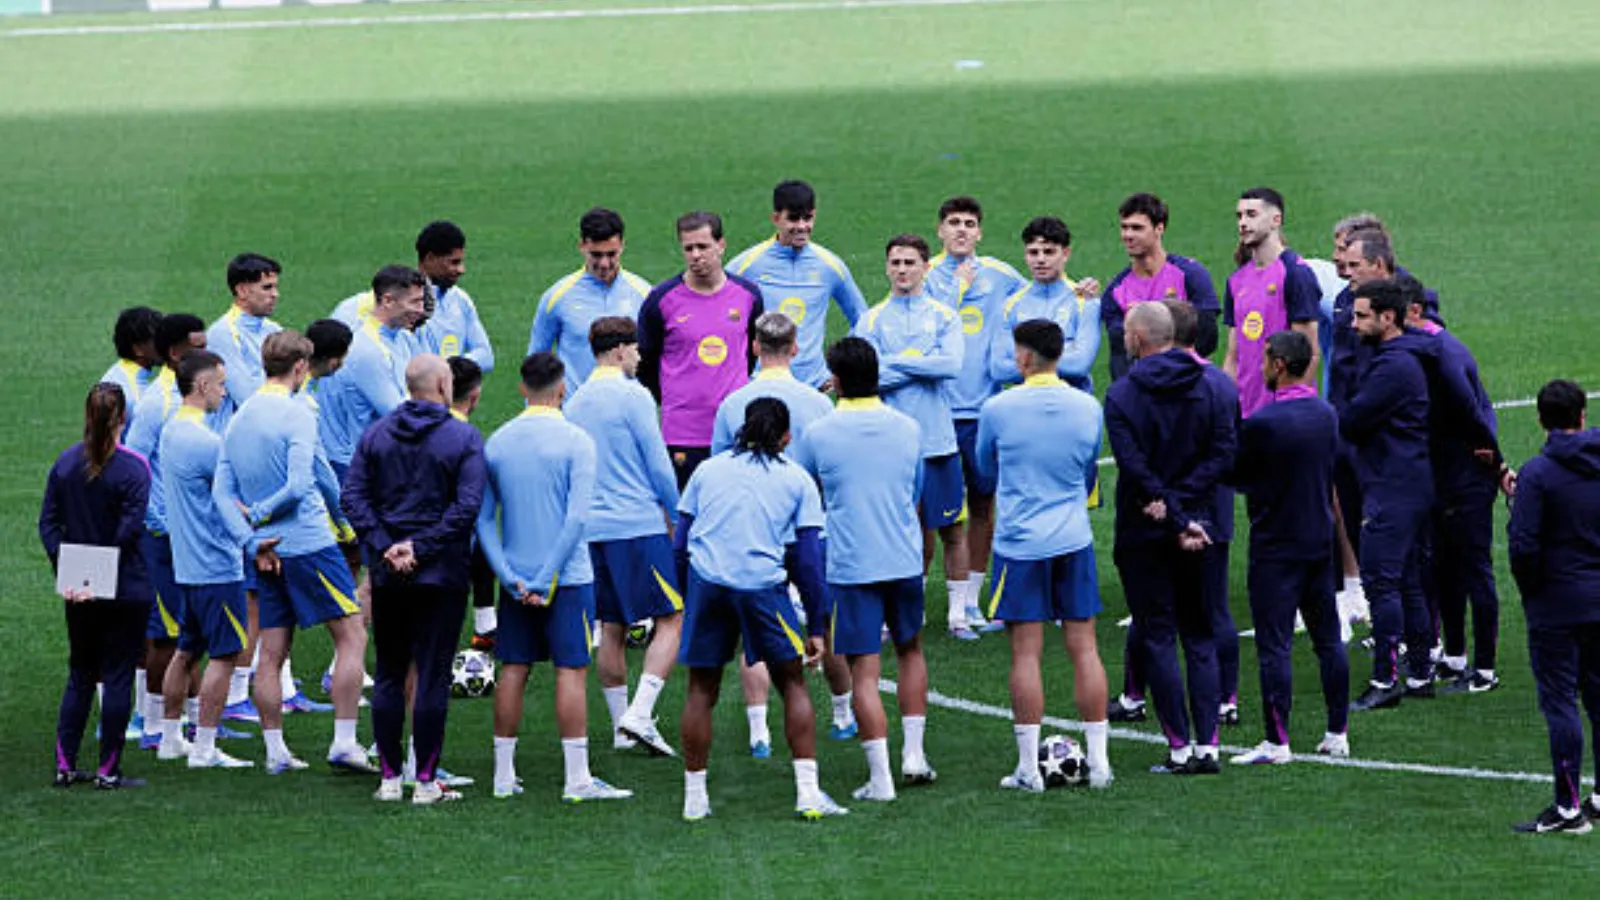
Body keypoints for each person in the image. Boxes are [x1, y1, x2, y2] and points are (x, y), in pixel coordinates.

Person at [676, 397, 844, 821]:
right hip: (762, 587)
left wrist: (687, 597)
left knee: (700, 689)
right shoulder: (797, 479)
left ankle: (694, 799)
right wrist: (817, 624)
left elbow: (680, 541)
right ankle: (808, 794)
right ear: (786, 438)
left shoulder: (707, 470)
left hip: (708, 583)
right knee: (792, 683)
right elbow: (809, 562)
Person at [478, 353, 632, 803]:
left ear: (522, 389)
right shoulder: (577, 441)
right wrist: (546, 577)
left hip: (515, 579)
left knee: (513, 668)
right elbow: (576, 519)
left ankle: (503, 776)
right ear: (562, 390)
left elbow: (484, 520)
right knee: (571, 669)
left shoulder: (498, 442)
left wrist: (509, 575)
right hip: (567, 578)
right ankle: (576, 778)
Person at [216, 331, 371, 773]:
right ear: (300, 367)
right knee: (352, 635)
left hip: (265, 551)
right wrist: (342, 522)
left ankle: (275, 751)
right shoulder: (298, 412)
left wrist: (250, 538)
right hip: (308, 543)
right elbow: (304, 483)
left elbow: (221, 492)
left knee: (271, 650)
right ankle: (344, 741)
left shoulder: (239, 416)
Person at [792, 337, 933, 800]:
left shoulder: (819, 434)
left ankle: (881, 778)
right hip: (903, 557)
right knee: (911, 650)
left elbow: (805, 491)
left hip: (852, 564)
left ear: (835, 380)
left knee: (864, 671)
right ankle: (914, 755)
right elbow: (916, 491)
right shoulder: (909, 428)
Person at [975, 319, 1113, 791]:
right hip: (1073, 538)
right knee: (1084, 647)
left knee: (1025, 652)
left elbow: (984, 468)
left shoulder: (998, 408)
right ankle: (1100, 763)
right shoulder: (1088, 407)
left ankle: (1028, 768)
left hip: (1019, 544)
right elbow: (1089, 466)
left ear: (1024, 357)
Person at [343, 355, 486, 805]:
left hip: (389, 576)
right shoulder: (463, 437)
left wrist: (386, 545)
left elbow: (352, 496)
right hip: (441, 574)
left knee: (389, 671)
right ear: (444, 384)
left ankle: (389, 778)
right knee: (432, 675)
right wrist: (420, 548)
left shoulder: (376, 434)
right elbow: (467, 507)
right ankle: (424, 780)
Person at [708, 311, 853, 750]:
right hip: (809, 527)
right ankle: (843, 714)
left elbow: (721, 470)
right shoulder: (818, 403)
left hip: (754, 532)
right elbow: (831, 470)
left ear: (754, 347)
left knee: (753, 629)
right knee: (825, 622)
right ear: (795, 348)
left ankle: (759, 730)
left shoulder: (733, 402)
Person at [1105, 302, 1234, 774]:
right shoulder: (1216, 385)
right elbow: (1224, 453)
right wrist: (1187, 514)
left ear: (1138, 339)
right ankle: (1209, 746)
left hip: (1146, 528)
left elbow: (1134, 467)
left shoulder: (1122, 394)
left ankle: (1179, 747)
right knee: (1200, 634)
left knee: (1157, 634)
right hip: (1201, 527)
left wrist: (1170, 511)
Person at [1227, 331, 1351, 764]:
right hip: (1319, 539)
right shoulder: (1325, 413)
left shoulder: (1264, 422)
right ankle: (1337, 732)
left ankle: (1277, 742)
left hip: (1276, 546)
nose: (1261, 365)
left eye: (1265, 359)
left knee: (1274, 644)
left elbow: (1236, 474)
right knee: (1328, 639)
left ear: (1279, 364)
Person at [564, 317, 686, 758]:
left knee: (611, 626)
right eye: (635, 348)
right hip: (636, 525)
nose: (639, 356)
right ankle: (641, 712)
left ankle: (621, 727)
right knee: (672, 618)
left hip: (591, 531)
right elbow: (658, 464)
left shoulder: (575, 400)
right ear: (619, 350)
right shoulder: (635, 396)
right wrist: (678, 514)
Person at [853, 235, 967, 639]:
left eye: (910, 262)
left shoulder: (943, 316)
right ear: (887, 267)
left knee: (952, 528)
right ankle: (907, 611)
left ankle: (958, 614)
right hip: (889, 447)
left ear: (925, 267)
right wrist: (922, 363)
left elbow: (951, 364)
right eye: (896, 262)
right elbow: (867, 377)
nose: (902, 270)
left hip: (937, 441)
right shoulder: (870, 320)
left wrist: (893, 362)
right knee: (900, 530)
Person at [40, 383, 153, 790]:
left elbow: (48, 524)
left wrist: (71, 573)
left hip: (78, 592)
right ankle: (108, 771)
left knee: (81, 673)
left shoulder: (66, 463)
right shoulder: (134, 468)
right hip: (125, 588)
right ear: (123, 418)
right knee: (118, 675)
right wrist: (98, 576)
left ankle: (65, 765)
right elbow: (128, 530)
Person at [156, 350, 265, 770]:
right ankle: (204, 747)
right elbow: (235, 499)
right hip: (217, 565)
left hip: (186, 564)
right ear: (201, 386)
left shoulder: (172, 430)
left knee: (186, 651)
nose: (225, 391)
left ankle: (170, 738)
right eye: (220, 384)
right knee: (224, 654)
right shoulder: (206, 443)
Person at [923, 197, 1026, 631]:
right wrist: (956, 287)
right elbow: (924, 328)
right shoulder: (924, 274)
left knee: (984, 504)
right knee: (928, 512)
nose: (962, 229)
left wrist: (1078, 293)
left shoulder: (1001, 275)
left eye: (969, 223)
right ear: (940, 231)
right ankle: (916, 599)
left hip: (985, 413)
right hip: (936, 414)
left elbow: (1038, 297)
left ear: (980, 232)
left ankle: (969, 601)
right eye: (953, 222)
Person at [1400, 282, 1507, 691]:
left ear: (1413, 311)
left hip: (1467, 482)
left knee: (1475, 570)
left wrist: (1497, 465)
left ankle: (1485, 670)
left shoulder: (1443, 354)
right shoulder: (1432, 350)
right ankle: (1455, 657)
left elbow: (1474, 416)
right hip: (1446, 479)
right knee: (1444, 568)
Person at [1508, 380, 1600, 834]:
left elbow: (1523, 547)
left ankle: (1567, 809)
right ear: (1582, 415)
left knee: (1561, 702)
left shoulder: (1539, 474)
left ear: (1541, 420)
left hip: (1557, 605)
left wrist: (1533, 592)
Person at [1342, 279, 1436, 710]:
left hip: (1391, 486)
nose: (1353, 323)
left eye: (1362, 316)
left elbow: (1354, 419)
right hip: (1411, 481)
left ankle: (1385, 680)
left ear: (1388, 317)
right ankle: (1420, 674)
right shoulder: (1406, 357)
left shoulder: (1392, 367)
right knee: (1409, 581)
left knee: (1382, 583)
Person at [123, 313, 210, 740]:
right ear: (175, 353)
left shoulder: (191, 396)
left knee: (191, 628)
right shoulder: (157, 403)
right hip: (162, 537)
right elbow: (135, 466)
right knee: (166, 634)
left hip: (189, 533)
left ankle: (193, 718)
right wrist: (158, 522)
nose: (207, 353)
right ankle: (154, 723)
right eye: (198, 347)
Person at [638, 211, 765, 489]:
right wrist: (674, 398)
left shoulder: (748, 296)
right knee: (686, 509)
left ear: (721, 245)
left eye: (703, 247)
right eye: (689, 248)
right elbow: (645, 365)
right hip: (683, 433)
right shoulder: (661, 301)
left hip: (736, 429)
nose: (696, 255)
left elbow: (750, 355)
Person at [728, 180, 868, 388]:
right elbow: (717, 313)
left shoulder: (830, 266)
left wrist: (840, 366)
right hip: (761, 386)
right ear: (776, 218)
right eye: (793, 219)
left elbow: (863, 320)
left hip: (814, 387)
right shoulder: (746, 265)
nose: (802, 226)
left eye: (807, 218)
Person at [528, 207, 655, 396]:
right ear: (582, 246)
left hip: (629, 410)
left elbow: (660, 358)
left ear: (622, 246)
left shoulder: (645, 295)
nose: (604, 264)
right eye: (596, 255)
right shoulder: (557, 298)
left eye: (611, 254)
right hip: (575, 411)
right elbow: (535, 364)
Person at [1221, 188, 1321, 418]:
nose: (1243, 223)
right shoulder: (1236, 281)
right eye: (1239, 216)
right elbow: (1233, 356)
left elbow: (1310, 354)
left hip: (1285, 415)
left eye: (1251, 214)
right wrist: (1226, 403)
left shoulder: (1296, 274)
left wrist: (1291, 411)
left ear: (1276, 220)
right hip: (1246, 413)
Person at [319, 266, 427, 477]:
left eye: (422, 301)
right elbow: (398, 414)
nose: (421, 310)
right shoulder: (366, 349)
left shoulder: (404, 338)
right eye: (414, 302)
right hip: (355, 467)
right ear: (388, 301)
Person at [1103, 193, 1220, 381]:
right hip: (1145, 386)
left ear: (1159, 228)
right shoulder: (1116, 291)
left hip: (1188, 382)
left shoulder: (1190, 275)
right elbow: (1120, 356)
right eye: (1124, 227)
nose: (1128, 235)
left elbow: (1207, 338)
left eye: (1137, 228)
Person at [990, 216, 1101, 393]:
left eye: (1049, 252)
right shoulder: (1010, 306)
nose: (1040, 259)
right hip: (1026, 405)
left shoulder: (1086, 302)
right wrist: (1066, 352)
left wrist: (1025, 358)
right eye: (1033, 252)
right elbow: (999, 369)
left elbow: (1080, 365)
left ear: (1066, 254)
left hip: (1071, 405)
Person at [448, 356, 499, 651]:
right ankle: (483, 627)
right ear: (475, 395)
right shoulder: (467, 438)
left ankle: (485, 625)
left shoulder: (408, 424)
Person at [207, 253, 284, 429]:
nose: (275, 294)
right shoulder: (222, 334)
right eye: (267, 288)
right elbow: (247, 397)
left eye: (275, 287)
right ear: (242, 290)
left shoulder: (274, 330)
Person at [410, 221, 495, 373]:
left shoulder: (461, 299)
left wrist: (449, 369)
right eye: (454, 262)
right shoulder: (406, 304)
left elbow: (486, 357)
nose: (461, 270)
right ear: (430, 259)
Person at [99, 306, 164, 438]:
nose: (165, 344)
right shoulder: (138, 397)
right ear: (138, 349)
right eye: (157, 340)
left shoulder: (117, 371)